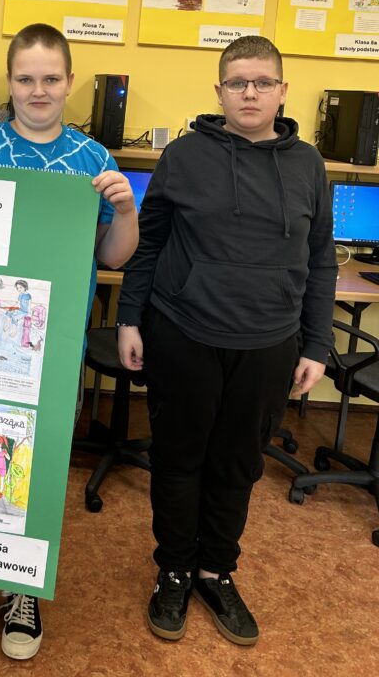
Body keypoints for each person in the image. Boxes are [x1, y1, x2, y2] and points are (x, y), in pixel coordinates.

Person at [116, 35, 337, 647]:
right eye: (238, 82)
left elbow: (321, 259)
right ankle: (174, 569)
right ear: (219, 91)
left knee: (238, 466)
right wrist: (130, 317)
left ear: (283, 91)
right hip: (183, 331)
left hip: (269, 342)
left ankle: (215, 570)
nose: (250, 93)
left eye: (262, 82)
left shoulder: (309, 165)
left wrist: (316, 344)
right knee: (179, 460)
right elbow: (150, 241)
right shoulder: (185, 155)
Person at [0, 23, 139, 666]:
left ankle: (21, 589)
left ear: (70, 82)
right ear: (10, 82)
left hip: (51, 347)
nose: (38, 90)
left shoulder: (94, 161)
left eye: (51, 78)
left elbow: (113, 256)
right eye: (26, 78)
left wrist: (125, 211)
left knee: (35, 467)